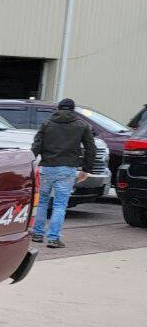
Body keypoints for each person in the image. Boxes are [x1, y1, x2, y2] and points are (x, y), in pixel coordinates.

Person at [31, 98, 95, 248]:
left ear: (58, 109)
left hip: (46, 168)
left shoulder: (46, 124)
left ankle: (37, 234)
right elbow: (91, 148)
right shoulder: (82, 125)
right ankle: (53, 238)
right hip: (67, 169)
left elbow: (36, 146)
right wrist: (86, 169)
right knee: (60, 205)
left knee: (42, 202)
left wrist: (29, 163)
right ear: (73, 110)